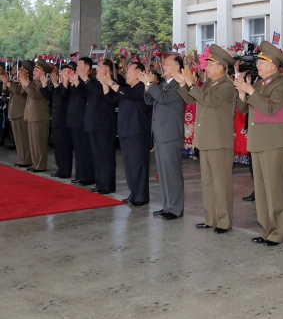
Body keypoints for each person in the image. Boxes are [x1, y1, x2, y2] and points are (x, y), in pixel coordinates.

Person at [234, 41, 283, 246]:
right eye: (258, 61)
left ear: (273, 65)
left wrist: (250, 91)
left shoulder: (282, 84)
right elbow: (243, 110)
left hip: (273, 142)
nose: (257, 64)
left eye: (261, 61)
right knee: (261, 189)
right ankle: (266, 228)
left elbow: (269, 109)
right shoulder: (259, 84)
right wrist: (242, 93)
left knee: (274, 188)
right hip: (258, 141)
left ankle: (277, 232)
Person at [176, 45, 237, 233]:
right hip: (207, 139)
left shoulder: (227, 86)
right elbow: (192, 100)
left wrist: (192, 84)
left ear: (221, 67)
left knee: (221, 183)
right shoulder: (210, 84)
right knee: (208, 183)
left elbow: (208, 101)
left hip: (219, 141)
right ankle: (211, 218)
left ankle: (224, 221)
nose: (206, 68)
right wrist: (182, 83)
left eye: (210, 65)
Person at [142, 55, 186, 220]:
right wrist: (148, 84)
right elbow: (149, 100)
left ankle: (176, 208)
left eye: (166, 65)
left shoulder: (179, 86)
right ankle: (167, 206)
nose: (163, 67)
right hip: (161, 135)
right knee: (163, 173)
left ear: (176, 68)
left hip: (171, 135)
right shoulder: (164, 84)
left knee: (172, 173)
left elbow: (163, 98)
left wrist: (149, 84)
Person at [100, 62, 151, 206]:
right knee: (129, 166)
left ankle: (141, 196)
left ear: (139, 74)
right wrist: (105, 83)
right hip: (125, 132)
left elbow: (127, 94)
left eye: (129, 71)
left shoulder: (141, 88)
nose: (126, 74)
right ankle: (133, 194)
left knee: (138, 165)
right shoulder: (127, 89)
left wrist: (110, 81)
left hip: (137, 133)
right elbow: (111, 99)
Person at [76, 58, 117, 195]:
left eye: (100, 66)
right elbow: (84, 94)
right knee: (97, 157)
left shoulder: (112, 82)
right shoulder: (94, 82)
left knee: (105, 157)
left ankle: (107, 185)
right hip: (93, 123)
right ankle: (100, 184)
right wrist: (78, 81)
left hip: (104, 124)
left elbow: (101, 94)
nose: (97, 69)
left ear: (108, 70)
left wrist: (85, 79)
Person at [62, 60, 95, 186]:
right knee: (78, 150)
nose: (78, 68)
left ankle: (87, 176)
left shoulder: (90, 81)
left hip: (82, 119)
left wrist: (76, 82)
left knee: (85, 149)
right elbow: (66, 96)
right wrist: (69, 80)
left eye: (80, 65)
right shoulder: (79, 80)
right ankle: (80, 175)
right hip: (74, 119)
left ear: (87, 67)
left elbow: (84, 95)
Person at [40, 65, 73, 179]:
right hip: (56, 120)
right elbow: (48, 96)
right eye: (62, 70)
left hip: (65, 121)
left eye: (65, 71)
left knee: (65, 147)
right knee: (58, 147)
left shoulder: (70, 86)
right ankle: (60, 168)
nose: (62, 73)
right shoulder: (58, 85)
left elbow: (63, 96)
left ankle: (66, 170)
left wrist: (55, 84)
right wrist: (44, 83)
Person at [22, 59, 51, 173]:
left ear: (42, 73)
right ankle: (35, 164)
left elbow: (34, 95)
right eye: (34, 69)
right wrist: (26, 85)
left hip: (39, 117)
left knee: (39, 143)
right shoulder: (34, 83)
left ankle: (40, 165)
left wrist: (26, 84)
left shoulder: (44, 84)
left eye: (36, 70)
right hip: (31, 116)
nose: (33, 72)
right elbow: (25, 94)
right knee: (33, 143)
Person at [1, 63, 31, 168]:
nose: (19, 73)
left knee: (23, 139)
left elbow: (19, 91)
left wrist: (7, 82)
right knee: (18, 139)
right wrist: (5, 85)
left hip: (20, 113)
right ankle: (21, 158)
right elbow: (9, 91)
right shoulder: (17, 82)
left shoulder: (27, 83)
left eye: (21, 72)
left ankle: (26, 159)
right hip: (14, 112)